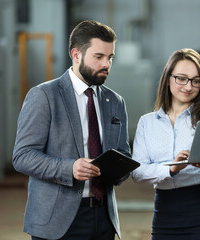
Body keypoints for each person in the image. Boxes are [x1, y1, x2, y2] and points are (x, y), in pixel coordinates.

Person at [13, 20, 131, 240]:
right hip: (56, 222)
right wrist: (69, 168)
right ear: (76, 54)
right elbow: (22, 156)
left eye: (110, 57)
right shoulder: (45, 96)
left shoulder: (115, 102)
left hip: (103, 219)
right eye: (99, 57)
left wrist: (121, 170)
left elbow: (123, 154)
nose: (106, 64)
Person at [131, 48, 200, 240]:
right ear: (168, 79)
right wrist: (171, 169)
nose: (188, 86)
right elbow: (137, 173)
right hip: (165, 214)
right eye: (181, 78)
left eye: (195, 80)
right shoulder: (147, 122)